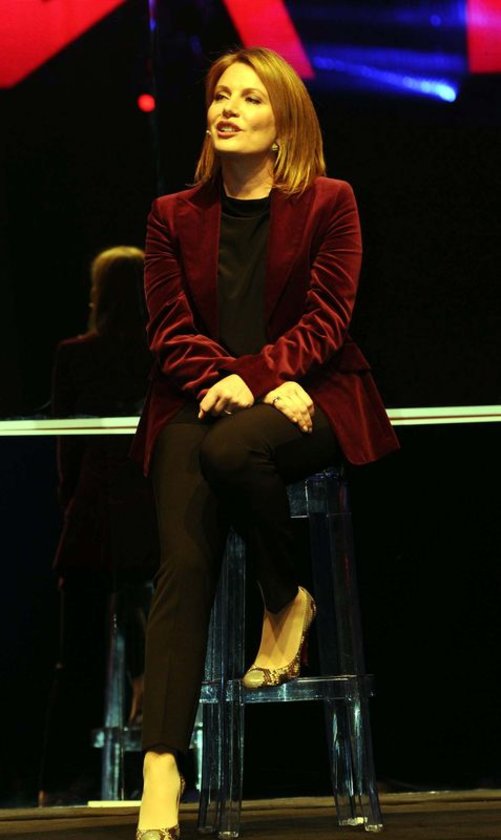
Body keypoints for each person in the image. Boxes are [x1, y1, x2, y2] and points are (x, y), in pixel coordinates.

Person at [130, 46, 400, 839]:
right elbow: (168, 330)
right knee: (182, 561)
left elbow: (328, 317)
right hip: (196, 399)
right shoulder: (171, 215)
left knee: (231, 451)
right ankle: (160, 767)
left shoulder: (330, 202)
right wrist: (229, 381)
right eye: (221, 95)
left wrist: (259, 379)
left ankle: (284, 601)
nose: (228, 108)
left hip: (307, 395)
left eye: (250, 98)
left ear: (283, 123)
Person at [38, 246, 159, 806]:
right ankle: (167, 771)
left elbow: (67, 444)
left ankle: (57, 783)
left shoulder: (75, 355)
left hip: (93, 515)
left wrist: (69, 504)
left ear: (99, 295)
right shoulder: (158, 353)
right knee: (152, 637)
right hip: (149, 514)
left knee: (78, 656)